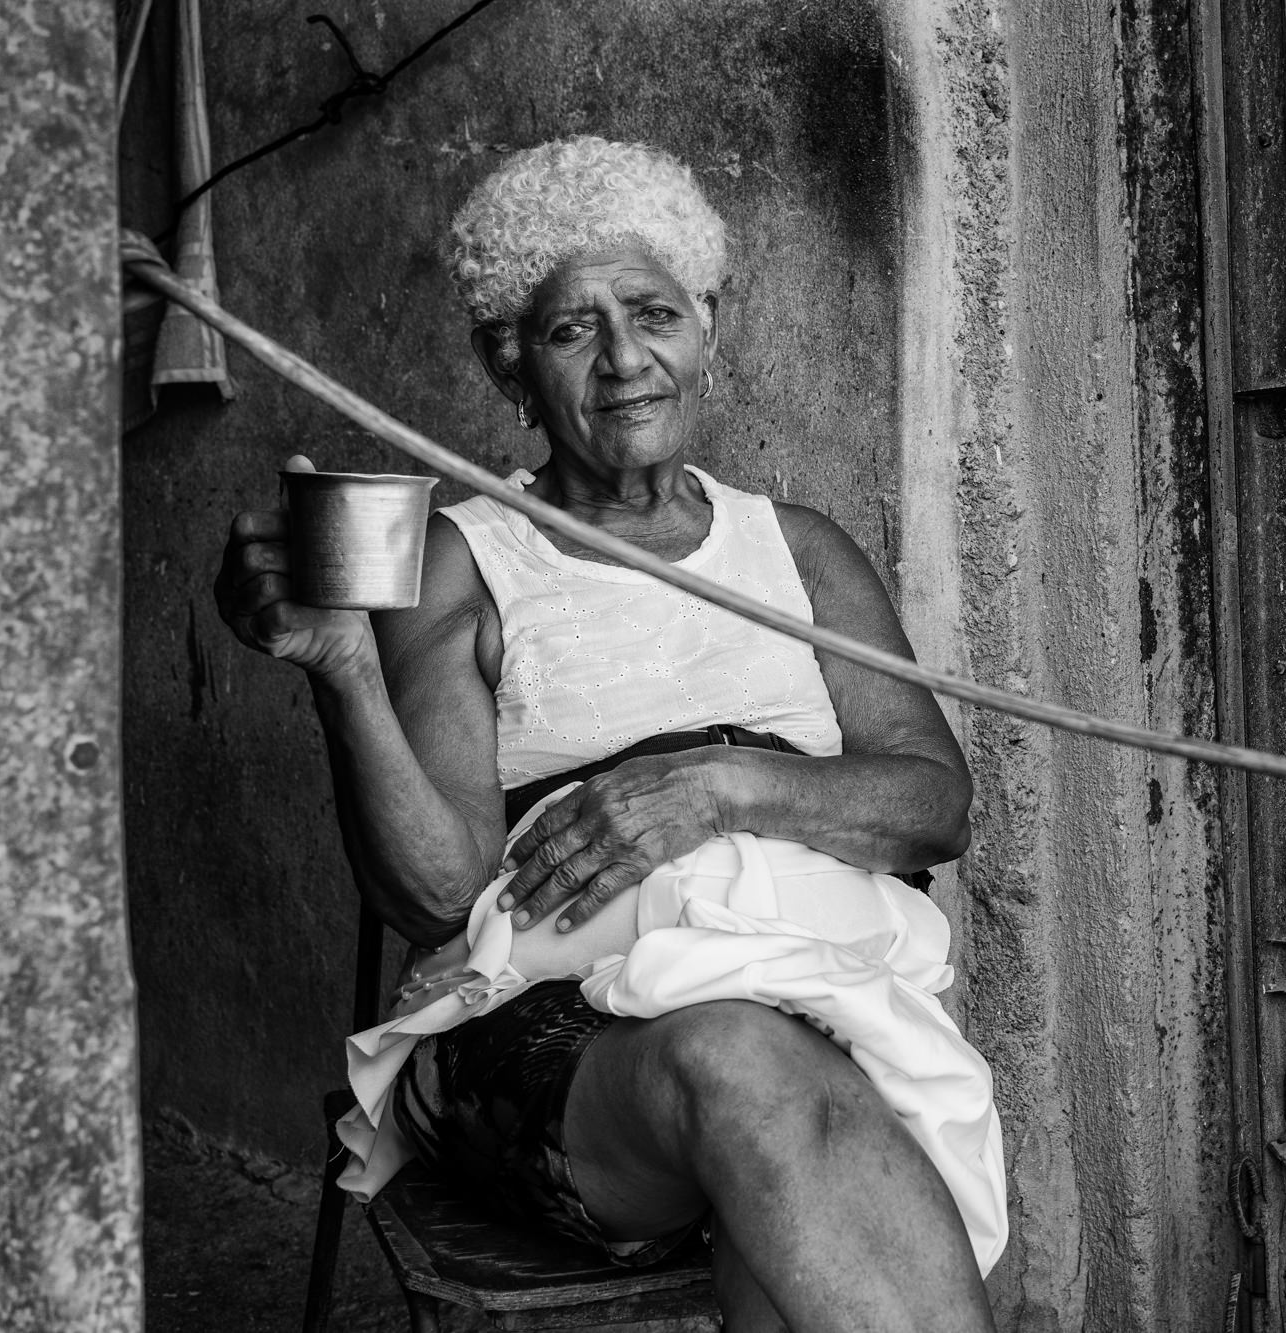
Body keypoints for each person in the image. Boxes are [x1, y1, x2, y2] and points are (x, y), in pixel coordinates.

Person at [215, 136, 999, 1333]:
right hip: (561, 1051)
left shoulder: (800, 551)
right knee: (742, 1064)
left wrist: (715, 788)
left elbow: (931, 802)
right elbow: (435, 894)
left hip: (818, 997)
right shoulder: (465, 563)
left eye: (653, 313)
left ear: (707, 326)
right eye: (572, 330)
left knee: (797, 1164)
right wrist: (344, 674)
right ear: (508, 365)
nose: (627, 359)